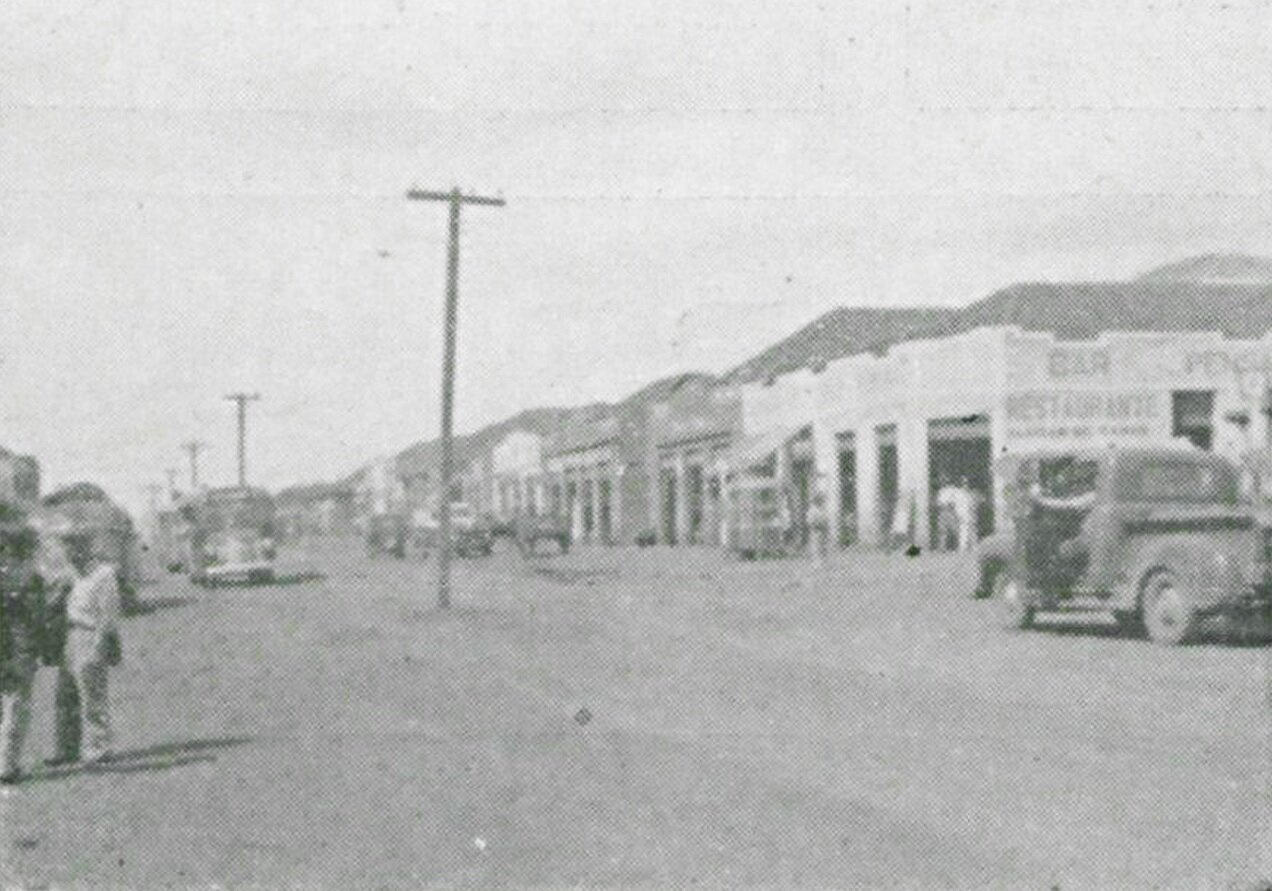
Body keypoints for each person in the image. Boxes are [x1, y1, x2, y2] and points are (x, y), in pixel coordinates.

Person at [50, 533, 122, 768]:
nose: (69, 555)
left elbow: (108, 616)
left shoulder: (104, 575)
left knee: (92, 694)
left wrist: (100, 645)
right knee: (66, 694)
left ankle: (99, 748)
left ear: (86, 549)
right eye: (67, 550)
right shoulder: (71, 575)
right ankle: (67, 749)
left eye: (73, 549)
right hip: (70, 636)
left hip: (90, 635)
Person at [0, 504, 49, 784]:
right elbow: (36, 617)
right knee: (16, 704)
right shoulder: (29, 577)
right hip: (18, 646)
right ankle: (6, 765)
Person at [806, 492, 830, 566]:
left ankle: (823, 561)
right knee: (815, 545)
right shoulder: (812, 510)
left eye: (822, 500)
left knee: (823, 546)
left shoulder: (823, 509)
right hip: (815, 530)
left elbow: (826, 519)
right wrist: (816, 525)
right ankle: (816, 562)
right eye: (820, 499)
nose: (822, 501)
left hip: (823, 530)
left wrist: (826, 526)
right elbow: (810, 521)